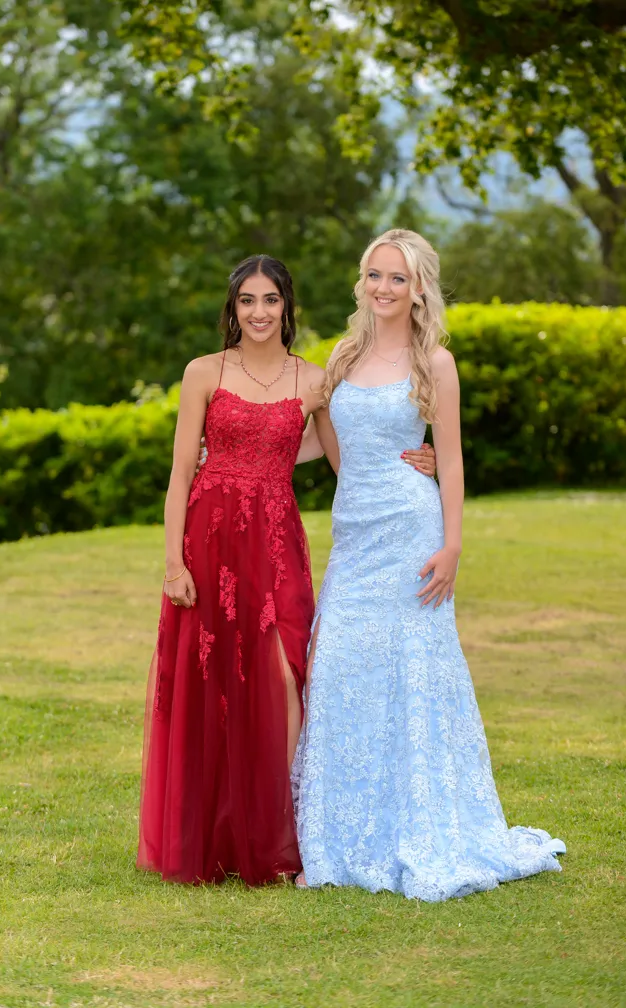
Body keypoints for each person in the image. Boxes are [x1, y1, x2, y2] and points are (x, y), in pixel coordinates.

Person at [137, 253, 436, 887]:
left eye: (270, 300)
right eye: (246, 301)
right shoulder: (202, 373)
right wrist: (172, 562)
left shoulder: (313, 380)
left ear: (287, 308)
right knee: (212, 679)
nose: (259, 312)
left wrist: (419, 460)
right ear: (232, 309)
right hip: (209, 536)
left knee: (284, 673)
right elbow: (179, 473)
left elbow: (346, 459)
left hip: (275, 540)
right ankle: (213, 837)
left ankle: (283, 831)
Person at [294, 229, 565, 900]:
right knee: (337, 669)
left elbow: (452, 456)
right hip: (354, 536)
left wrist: (451, 545)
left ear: (419, 289)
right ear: (361, 282)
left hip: (414, 534)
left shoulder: (434, 361)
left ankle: (418, 827)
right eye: (374, 276)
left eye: (397, 278)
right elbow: (329, 437)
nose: (383, 288)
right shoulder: (343, 353)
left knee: (410, 674)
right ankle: (338, 836)